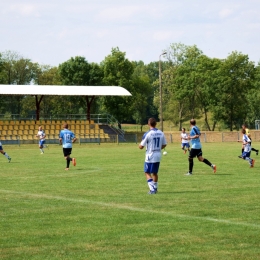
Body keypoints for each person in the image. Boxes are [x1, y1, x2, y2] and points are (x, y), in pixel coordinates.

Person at [139, 118, 167, 194]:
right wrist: (158, 148)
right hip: (158, 154)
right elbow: (164, 144)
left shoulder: (147, 134)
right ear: (156, 124)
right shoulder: (161, 133)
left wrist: (140, 144)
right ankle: (155, 188)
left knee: (147, 172)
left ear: (148, 124)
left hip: (150, 155)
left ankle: (152, 189)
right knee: (154, 173)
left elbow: (141, 147)